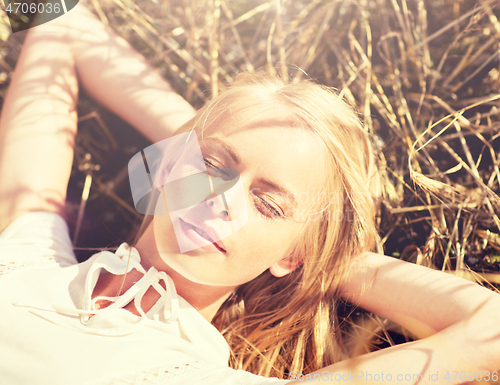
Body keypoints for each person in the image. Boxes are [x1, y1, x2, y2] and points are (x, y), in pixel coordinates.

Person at [0, 2, 499, 385]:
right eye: (212, 166)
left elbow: (491, 329)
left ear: (295, 254)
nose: (222, 199)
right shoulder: (28, 255)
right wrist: (196, 143)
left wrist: (326, 256)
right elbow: (57, 23)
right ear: (167, 166)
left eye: (269, 203)